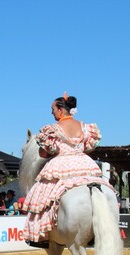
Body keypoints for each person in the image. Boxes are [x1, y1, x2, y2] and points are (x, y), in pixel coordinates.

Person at [23, 92, 114, 246]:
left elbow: (44, 153)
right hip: (84, 163)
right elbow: (88, 148)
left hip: (61, 163)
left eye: (53, 109)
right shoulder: (85, 128)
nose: (52, 112)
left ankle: (43, 235)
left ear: (61, 110)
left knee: (44, 195)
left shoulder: (53, 129)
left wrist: (50, 149)